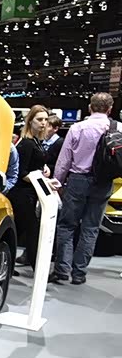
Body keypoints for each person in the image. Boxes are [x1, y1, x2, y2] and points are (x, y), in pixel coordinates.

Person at [52, 92, 116, 285]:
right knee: (91, 228)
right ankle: (79, 273)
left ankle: (62, 270)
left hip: (78, 180)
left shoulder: (78, 128)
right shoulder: (118, 128)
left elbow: (64, 160)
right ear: (110, 109)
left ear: (90, 107)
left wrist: (57, 182)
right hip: (104, 182)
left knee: (67, 225)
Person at [8, 105, 50, 269]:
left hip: (30, 193)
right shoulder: (26, 144)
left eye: (45, 119)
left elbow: (34, 165)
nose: (43, 123)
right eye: (39, 119)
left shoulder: (36, 142)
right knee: (32, 230)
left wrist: (44, 170)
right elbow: (22, 173)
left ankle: (7, 264)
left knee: (19, 230)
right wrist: (39, 179)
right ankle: (37, 267)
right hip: (21, 194)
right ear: (30, 121)